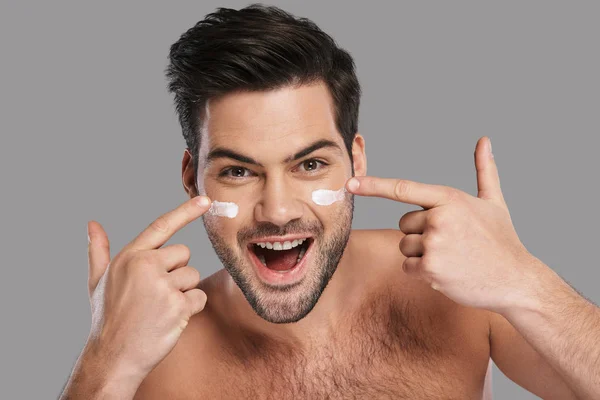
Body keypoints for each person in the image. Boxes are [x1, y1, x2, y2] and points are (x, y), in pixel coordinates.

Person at [60, 4, 599, 399]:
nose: (277, 210)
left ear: (356, 163)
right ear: (192, 179)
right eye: (238, 171)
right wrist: (104, 362)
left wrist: (523, 281)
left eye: (310, 164)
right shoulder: (154, 358)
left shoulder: (459, 291)